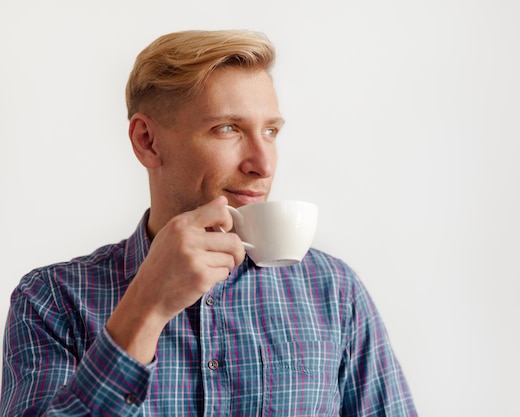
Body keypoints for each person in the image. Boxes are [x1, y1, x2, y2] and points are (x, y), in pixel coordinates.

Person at [1, 30, 418, 416]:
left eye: (270, 131)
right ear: (147, 141)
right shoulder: (51, 302)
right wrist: (144, 310)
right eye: (227, 129)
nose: (263, 164)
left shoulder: (334, 292)